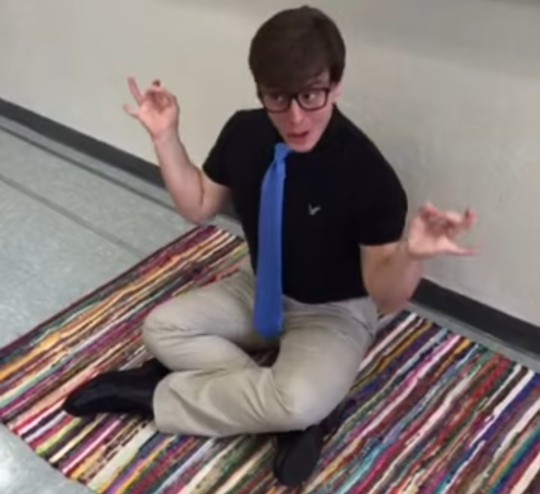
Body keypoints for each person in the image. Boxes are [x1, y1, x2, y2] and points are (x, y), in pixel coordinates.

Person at [63, 6, 477, 487]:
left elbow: (385, 297)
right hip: (259, 287)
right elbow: (199, 204)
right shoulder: (245, 131)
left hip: (333, 312)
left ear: (336, 85)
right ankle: (293, 421)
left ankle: (156, 396)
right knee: (162, 329)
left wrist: (412, 255)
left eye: (311, 95)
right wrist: (166, 138)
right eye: (278, 96)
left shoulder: (368, 174)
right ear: (261, 91)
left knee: (298, 399)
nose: (296, 116)